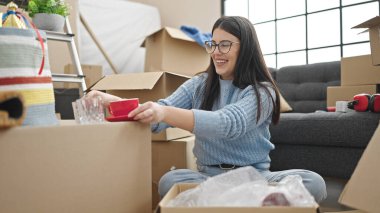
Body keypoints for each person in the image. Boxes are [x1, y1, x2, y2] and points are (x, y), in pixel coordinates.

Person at [87, 16, 327, 203]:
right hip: (208, 178)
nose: (215, 52)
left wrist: (164, 113)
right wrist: (112, 101)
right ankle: (245, 204)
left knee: (312, 181)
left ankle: (228, 203)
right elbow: (158, 116)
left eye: (225, 45)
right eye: (212, 44)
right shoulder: (199, 84)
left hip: (256, 178)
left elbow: (228, 124)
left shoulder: (262, 91)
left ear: (246, 49)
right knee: (170, 180)